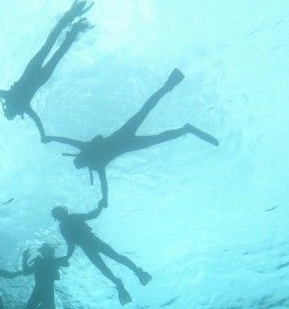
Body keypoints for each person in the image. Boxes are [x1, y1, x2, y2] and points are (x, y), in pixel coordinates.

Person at [43, 68, 219, 207]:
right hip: (127, 139)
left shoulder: (92, 158)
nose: (83, 164)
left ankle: (179, 115)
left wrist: (51, 137)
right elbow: (103, 184)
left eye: (80, 164)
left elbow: (67, 142)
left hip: (126, 140)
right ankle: (179, 115)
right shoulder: (92, 158)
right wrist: (51, 137)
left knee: (150, 120)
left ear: (82, 161)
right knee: (147, 115)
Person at [0, 0, 93, 140]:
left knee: (57, 53)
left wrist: (43, 135)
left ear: (14, 112)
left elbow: (36, 120)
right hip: (33, 71)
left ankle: (73, 28)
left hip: (40, 77)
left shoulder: (22, 106)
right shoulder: (11, 98)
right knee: (49, 45)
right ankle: (69, 18)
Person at [51, 203, 151, 305]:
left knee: (113, 260)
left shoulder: (71, 219)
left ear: (62, 213)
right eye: (57, 216)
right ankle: (126, 279)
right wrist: (67, 256)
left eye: (58, 215)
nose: (59, 218)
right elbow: (71, 243)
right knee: (107, 266)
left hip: (92, 244)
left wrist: (99, 207)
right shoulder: (64, 226)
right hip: (91, 245)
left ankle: (133, 274)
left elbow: (91, 216)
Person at [20, 244, 69, 309]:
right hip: (41, 290)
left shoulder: (50, 260)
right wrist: (24, 257)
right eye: (41, 250)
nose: (41, 252)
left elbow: (67, 263)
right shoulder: (39, 261)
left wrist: (57, 259)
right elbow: (25, 272)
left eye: (43, 250)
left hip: (45, 290)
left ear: (49, 251)